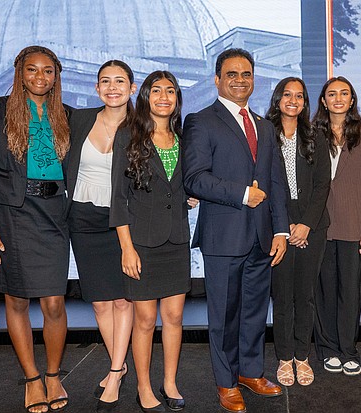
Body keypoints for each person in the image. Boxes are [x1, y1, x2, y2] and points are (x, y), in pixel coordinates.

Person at [182, 48, 289, 413]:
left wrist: (281, 231)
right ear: (217, 79)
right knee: (224, 317)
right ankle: (226, 382)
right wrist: (243, 194)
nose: (240, 80)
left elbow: (276, 182)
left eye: (246, 74)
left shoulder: (265, 125)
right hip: (223, 237)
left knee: (255, 312)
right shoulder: (200, 121)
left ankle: (250, 372)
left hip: (262, 237)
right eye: (232, 74)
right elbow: (194, 179)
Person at [0, 45, 70, 413]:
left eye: (48, 71)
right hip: (12, 215)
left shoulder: (67, 114)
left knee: (54, 302)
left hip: (53, 215)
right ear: (20, 72)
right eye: (32, 70)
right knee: (16, 299)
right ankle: (32, 379)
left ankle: (52, 374)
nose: (40, 77)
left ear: (55, 76)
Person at [110, 71, 196, 413]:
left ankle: (170, 382)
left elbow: (185, 182)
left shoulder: (184, 137)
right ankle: (144, 387)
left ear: (177, 98)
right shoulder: (128, 136)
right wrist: (126, 247)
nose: (164, 96)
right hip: (142, 243)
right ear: (144, 96)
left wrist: (192, 195)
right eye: (156, 90)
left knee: (174, 317)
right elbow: (119, 198)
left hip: (177, 239)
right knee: (144, 320)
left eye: (171, 91)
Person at [67, 60, 136, 411]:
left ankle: (113, 370)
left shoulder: (142, 126)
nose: (113, 87)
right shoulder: (78, 120)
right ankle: (120, 364)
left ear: (132, 87)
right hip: (82, 218)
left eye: (120, 81)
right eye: (105, 81)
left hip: (123, 222)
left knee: (123, 300)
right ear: (96, 88)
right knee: (98, 301)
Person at [312, 76, 361, 376]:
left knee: (350, 291)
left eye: (344, 93)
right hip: (319, 225)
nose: (338, 99)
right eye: (332, 94)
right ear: (324, 100)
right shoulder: (311, 133)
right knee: (324, 291)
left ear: (352, 99)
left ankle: (348, 349)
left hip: (354, 224)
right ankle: (328, 349)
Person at [265, 77, 331, 387]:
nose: (293, 100)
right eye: (287, 95)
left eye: (300, 96)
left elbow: (322, 185)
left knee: (305, 296)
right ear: (278, 99)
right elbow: (264, 182)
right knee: (282, 296)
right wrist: (284, 223)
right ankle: (284, 357)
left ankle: (302, 356)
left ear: (305, 103)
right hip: (276, 225)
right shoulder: (264, 133)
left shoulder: (316, 135)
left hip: (312, 225)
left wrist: (305, 224)